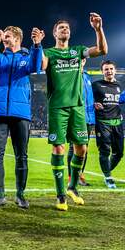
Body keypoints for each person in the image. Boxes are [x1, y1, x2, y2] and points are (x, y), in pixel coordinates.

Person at [41, 13, 107, 211]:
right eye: (61, 27)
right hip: (57, 107)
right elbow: (41, 65)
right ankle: (60, 195)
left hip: (77, 107)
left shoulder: (78, 51)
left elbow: (102, 50)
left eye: (67, 28)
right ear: (54, 33)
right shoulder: (49, 52)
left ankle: (73, 187)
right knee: (59, 149)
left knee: (82, 149)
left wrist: (98, 29)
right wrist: (37, 45)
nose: (65, 30)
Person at [0, 26, 43, 210]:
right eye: (3, 36)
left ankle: (20, 195)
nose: (4, 39)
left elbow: (35, 66)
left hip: (21, 114)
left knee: (21, 156)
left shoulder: (26, 57)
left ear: (17, 39)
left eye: (7, 36)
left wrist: (37, 45)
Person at [92, 60, 123, 189]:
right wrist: (93, 104)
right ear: (102, 71)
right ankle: (108, 177)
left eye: (111, 69)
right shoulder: (96, 85)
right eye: (106, 69)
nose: (109, 71)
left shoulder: (119, 85)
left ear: (115, 70)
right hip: (103, 122)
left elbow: (119, 100)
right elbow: (85, 96)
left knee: (119, 153)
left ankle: (107, 170)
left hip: (118, 123)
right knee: (104, 151)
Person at [67, 59, 94, 187]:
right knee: (74, 148)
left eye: (83, 59)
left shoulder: (87, 76)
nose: (81, 61)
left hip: (89, 118)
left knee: (85, 149)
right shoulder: (71, 74)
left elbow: (89, 97)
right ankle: (71, 176)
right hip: (77, 116)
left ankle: (80, 174)